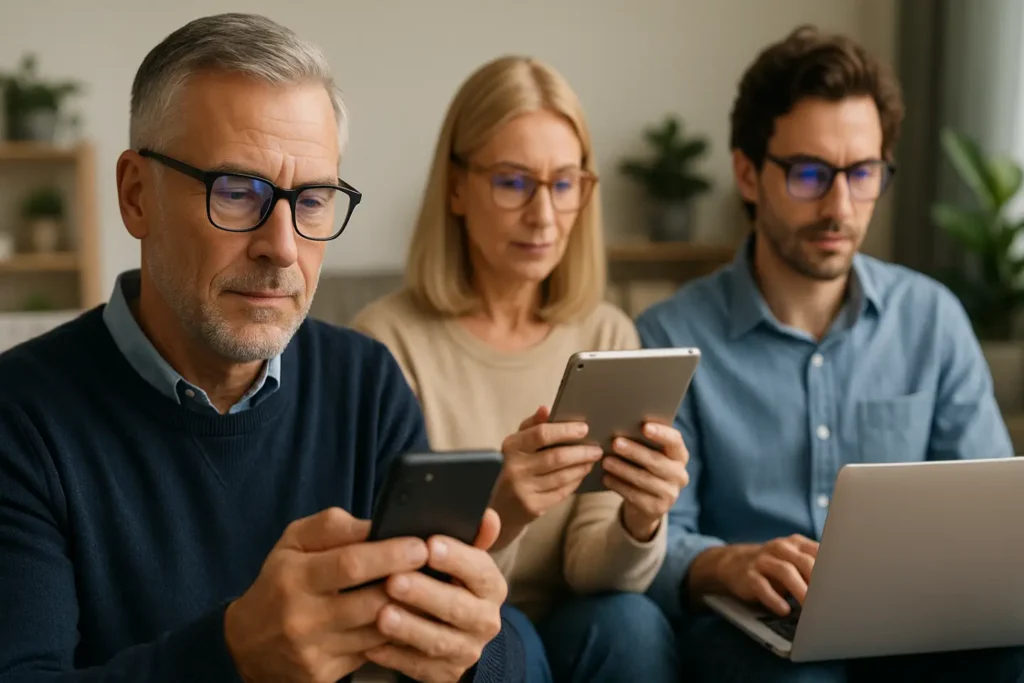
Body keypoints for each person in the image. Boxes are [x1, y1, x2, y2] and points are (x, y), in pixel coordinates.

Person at [0, 13, 526, 683]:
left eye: (311, 201)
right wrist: (235, 653)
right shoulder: (20, 416)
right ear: (137, 196)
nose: (282, 246)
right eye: (237, 192)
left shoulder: (366, 383)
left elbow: (449, 633)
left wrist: (474, 650)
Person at [637, 25, 1024, 683]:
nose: (840, 206)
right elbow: (655, 537)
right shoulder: (668, 336)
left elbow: (994, 517)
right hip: (752, 630)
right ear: (747, 173)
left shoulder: (932, 319)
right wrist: (728, 562)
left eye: (863, 172)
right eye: (810, 173)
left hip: (917, 626)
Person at [352, 55, 685, 682]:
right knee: (507, 636)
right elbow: (399, 578)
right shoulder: (385, 342)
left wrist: (641, 518)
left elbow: (595, 570)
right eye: (513, 182)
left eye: (564, 184)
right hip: (451, 625)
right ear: (455, 187)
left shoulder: (607, 332)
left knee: (631, 625)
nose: (544, 215)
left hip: (582, 619)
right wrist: (504, 510)